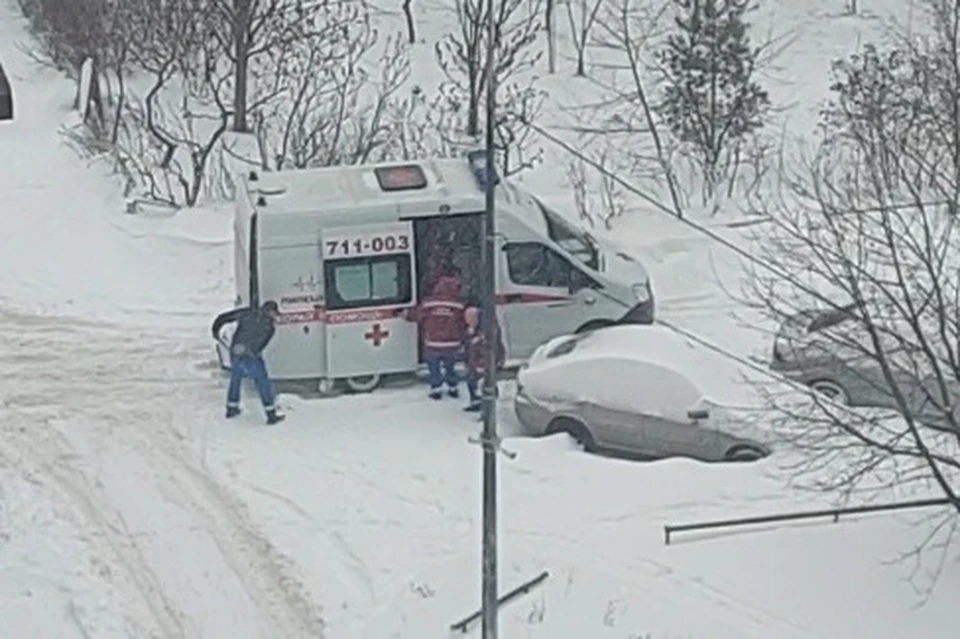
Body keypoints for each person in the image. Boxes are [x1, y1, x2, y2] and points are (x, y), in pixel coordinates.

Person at [211, 300, 285, 425]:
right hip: (251, 356)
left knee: (235, 379)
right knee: (263, 383)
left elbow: (224, 317)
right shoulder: (270, 327)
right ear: (271, 312)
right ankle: (271, 415)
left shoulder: (247, 312)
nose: (275, 316)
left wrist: (215, 330)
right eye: (274, 313)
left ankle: (231, 408)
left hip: (236, 352)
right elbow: (262, 345)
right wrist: (253, 353)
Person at [405, 273, 466, 399]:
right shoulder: (459, 305)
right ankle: (452, 387)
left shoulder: (429, 303)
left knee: (434, 367)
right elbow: (463, 322)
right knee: (450, 366)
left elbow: (417, 315)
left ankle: (436, 389)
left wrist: (405, 315)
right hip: (452, 343)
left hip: (433, 342)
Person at [462, 304, 506, 412]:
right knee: (472, 381)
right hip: (474, 363)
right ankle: (476, 403)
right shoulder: (472, 330)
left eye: (470, 319)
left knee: (485, 384)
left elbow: (492, 348)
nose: (468, 322)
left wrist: (484, 363)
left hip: (485, 363)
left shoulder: (487, 330)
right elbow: (468, 347)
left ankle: (488, 409)